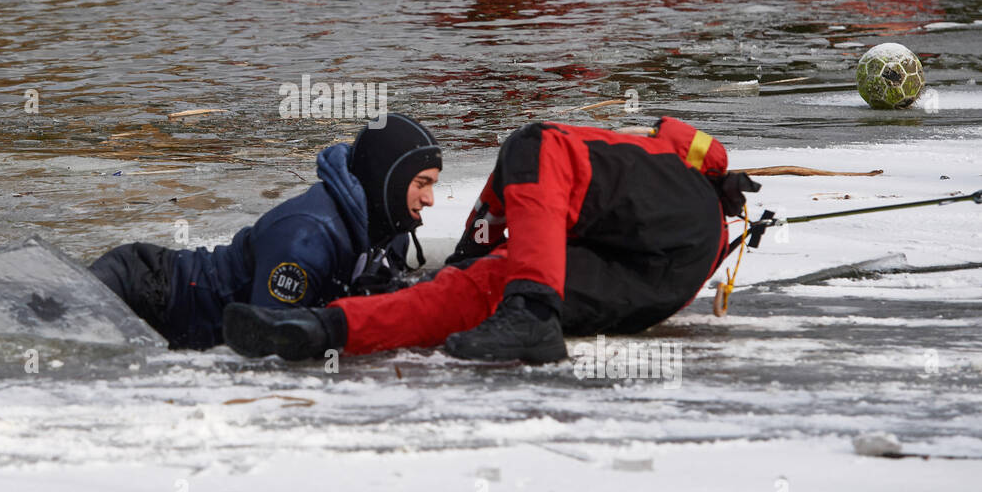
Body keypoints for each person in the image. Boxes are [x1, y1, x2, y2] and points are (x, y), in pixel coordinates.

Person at [0, 114, 443, 346]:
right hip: (145, 294)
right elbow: (263, 333)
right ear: (385, 182)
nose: (430, 202)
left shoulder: (362, 222)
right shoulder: (310, 236)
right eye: (422, 185)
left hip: (150, 286)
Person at [222, 118, 760, 364]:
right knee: (483, 286)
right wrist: (464, 265)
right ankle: (323, 330)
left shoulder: (669, 175)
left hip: (687, 214)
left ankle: (531, 314)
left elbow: (530, 169)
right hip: (665, 281)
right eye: (423, 186)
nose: (430, 199)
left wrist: (466, 250)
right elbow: (501, 225)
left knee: (532, 144)